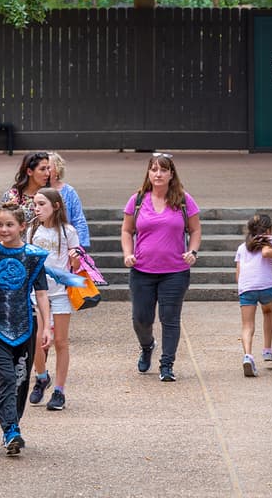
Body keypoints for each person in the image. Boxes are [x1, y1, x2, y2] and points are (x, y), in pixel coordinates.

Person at [0, 203, 53, 456]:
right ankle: (10, 431)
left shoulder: (33, 258)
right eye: (0, 224)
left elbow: (41, 294)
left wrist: (46, 326)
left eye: (9, 225)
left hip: (26, 326)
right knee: (6, 377)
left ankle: (13, 425)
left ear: (22, 227)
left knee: (21, 379)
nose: (4, 229)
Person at [120, 152, 202, 382]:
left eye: (163, 170)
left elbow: (195, 230)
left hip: (175, 271)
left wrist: (192, 252)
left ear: (171, 174)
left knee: (170, 318)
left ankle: (167, 364)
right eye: (154, 169)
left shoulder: (184, 200)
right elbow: (127, 231)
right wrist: (128, 253)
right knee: (141, 319)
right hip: (142, 271)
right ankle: (147, 346)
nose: (158, 174)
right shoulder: (137, 200)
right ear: (148, 172)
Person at [26, 188, 82, 411]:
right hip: (36, 293)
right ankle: (41, 377)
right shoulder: (32, 230)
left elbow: (77, 266)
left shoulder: (67, 231)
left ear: (56, 206)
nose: (37, 209)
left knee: (61, 341)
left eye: (42, 204)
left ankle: (59, 390)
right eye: (35, 204)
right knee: (38, 340)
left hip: (60, 292)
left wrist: (75, 259)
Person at [234, 213, 272, 378]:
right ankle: (267, 350)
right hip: (265, 286)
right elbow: (266, 253)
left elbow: (237, 275)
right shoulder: (269, 240)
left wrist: (242, 288)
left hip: (246, 288)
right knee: (267, 312)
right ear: (268, 229)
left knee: (247, 325)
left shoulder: (241, 248)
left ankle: (248, 355)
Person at [47, 152, 91, 250]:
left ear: (57, 169)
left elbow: (78, 219)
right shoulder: (36, 191)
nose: (45, 171)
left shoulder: (69, 192)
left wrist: (79, 247)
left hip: (65, 244)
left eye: (48, 167)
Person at [0, 151, 51, 224]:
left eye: (48, 168)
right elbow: (1, 226)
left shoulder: (51, 196)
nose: (47, 173)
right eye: (42, 169)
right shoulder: (11, 196)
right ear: (29, 171)